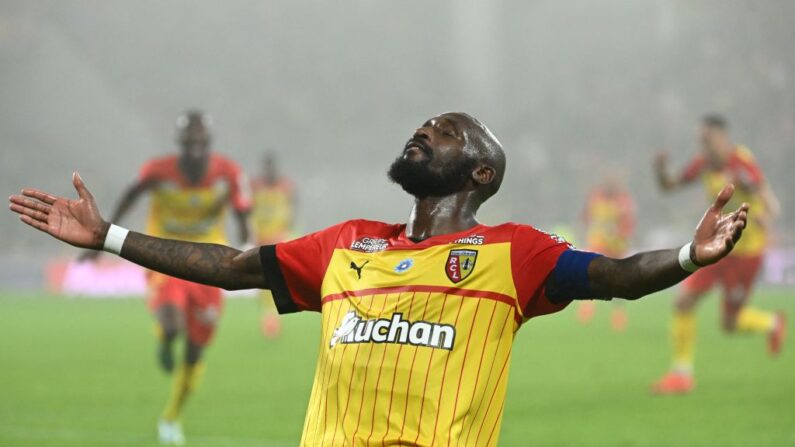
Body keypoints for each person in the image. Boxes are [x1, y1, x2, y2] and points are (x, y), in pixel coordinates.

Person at [10, 112, 749, 446]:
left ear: (480, 171)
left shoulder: (512, 253)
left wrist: (687, 256)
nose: (426, 130)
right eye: (425, 125)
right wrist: (107, 235)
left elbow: (616, 275)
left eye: (447, 130)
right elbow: (235, 266)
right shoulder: (346, 244)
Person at [79, 110, 251, 444]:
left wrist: (245, 249)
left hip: (210, 264)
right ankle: (166, 336)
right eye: (189, 142)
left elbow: (243, 211)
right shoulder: (158, 171)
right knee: (173, 323)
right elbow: (131, 194)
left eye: (201, 141)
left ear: (209, 143)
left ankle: (172, 415)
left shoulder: (228, 174)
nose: (195, 147)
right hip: (165, 257)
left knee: (195, 353)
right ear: (180, 144)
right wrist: (103, 232)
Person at [652, 114, 785, 395]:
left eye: (707, 139)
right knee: (684, 302)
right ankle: (681, 375)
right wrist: (660, 169)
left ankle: (773, 323)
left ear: (723, 138)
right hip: (717, 249)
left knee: (730, 323)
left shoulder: (740, 164)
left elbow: (767, 197)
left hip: (746, 253)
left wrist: (767, 215)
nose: (703, 145)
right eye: (700, 140)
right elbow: (668, 186)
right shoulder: (703, 165)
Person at [576, 175, 635, 331]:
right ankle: (586, 310)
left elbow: (628, 223)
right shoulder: (596, 198)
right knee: (590, 275)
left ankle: (618, 317)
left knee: (618, 280)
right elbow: (585, 216)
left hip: (616, 245)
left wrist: (621, 234)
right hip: (598, 243)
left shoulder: (623, 201)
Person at [250, 152, 296, 338]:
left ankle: (272, 321)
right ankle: (270, 319)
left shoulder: (286, 187)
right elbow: (249, 210)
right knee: (265, 285)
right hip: (261, 239)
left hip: (279, 240)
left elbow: (292, 212)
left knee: (276, 281)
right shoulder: (255, 186)